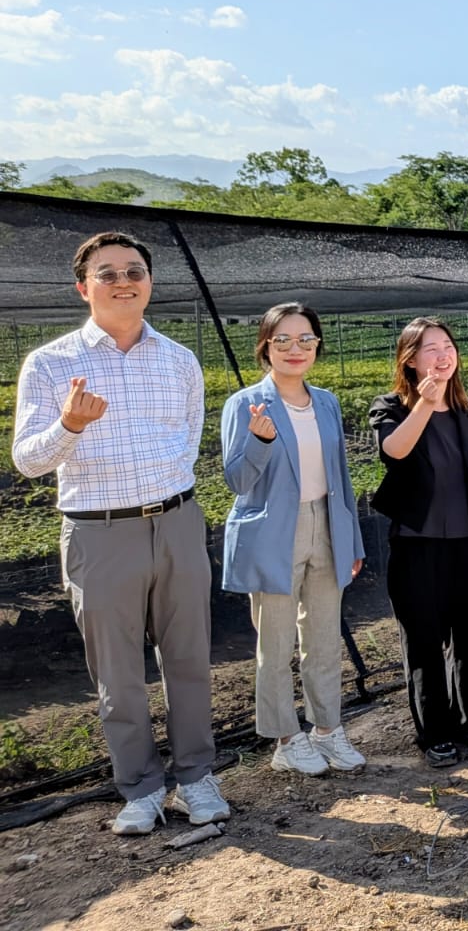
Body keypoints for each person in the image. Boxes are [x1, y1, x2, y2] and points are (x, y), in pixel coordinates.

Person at [11, 231, 229, 835]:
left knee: (189, 658)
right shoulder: (52, 363)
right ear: (84, 288)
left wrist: (170, 499)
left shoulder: (179, 359)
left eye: (134, 270)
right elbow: (27, 460)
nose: (123, 280)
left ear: (150, 283)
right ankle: (139, 787)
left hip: (177, 520)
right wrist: (68, 426)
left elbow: (187, 439)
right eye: (107, 273)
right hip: (99, 533)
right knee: (117, 671)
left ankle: (196, 777)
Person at [221, 303, 367, 776]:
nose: (295, 349)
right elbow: (237, 481)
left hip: (326, 524)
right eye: (282, 340)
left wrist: (353, 541)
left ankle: (327, 729)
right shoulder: (246, 404)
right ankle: (287, 738)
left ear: (317, 346)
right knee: (277, 641)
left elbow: (341, 477)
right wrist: (260, 442)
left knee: (324, 638)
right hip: (274, 532)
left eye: (305, 339)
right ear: (265, 346)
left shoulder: (324, 400)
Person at [370, 317, 468, 769]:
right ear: (410, 360)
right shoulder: (391, 406)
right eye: (431, 349)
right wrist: (425, 405)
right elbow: (395, 451)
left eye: (447, 346)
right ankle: (434, 732)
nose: (443, 355)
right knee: (425, 641)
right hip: (417, 544)